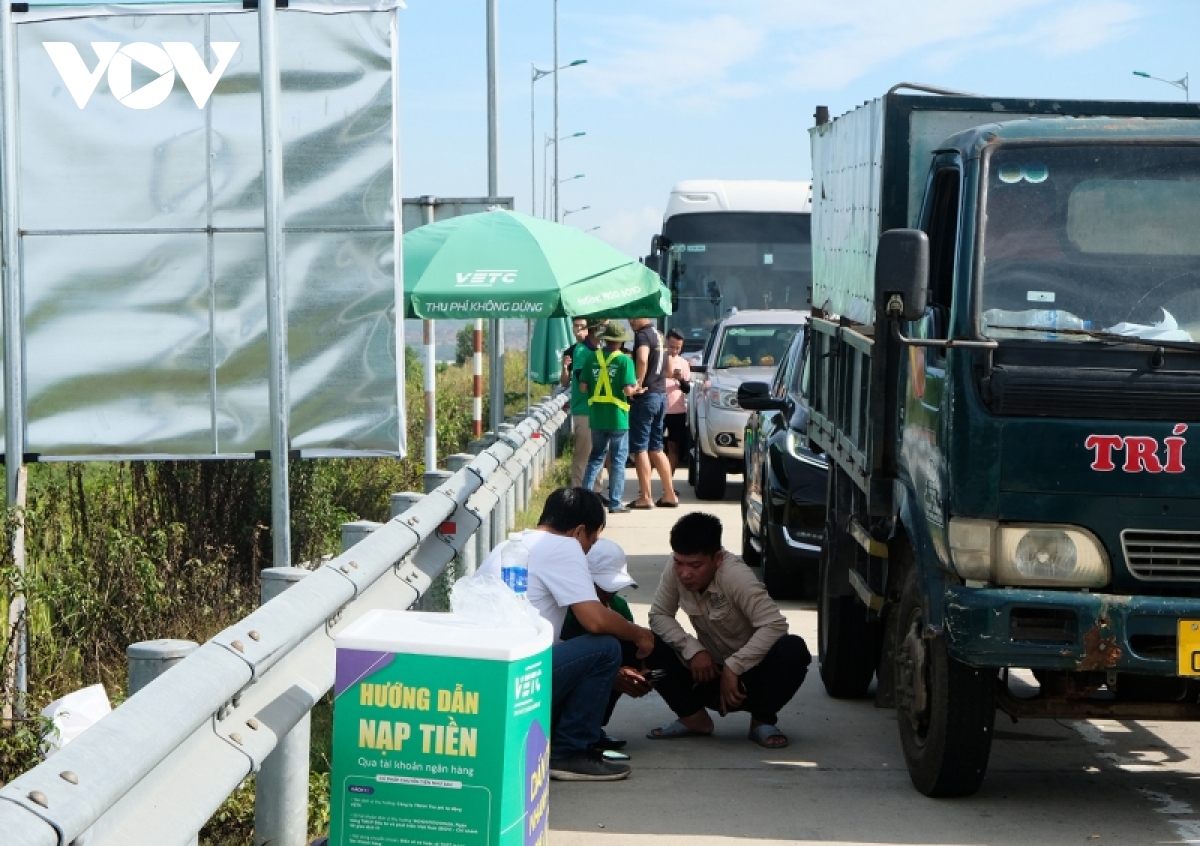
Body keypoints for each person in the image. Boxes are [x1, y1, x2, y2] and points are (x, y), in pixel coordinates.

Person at [477, 488, 654, 780]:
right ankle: (569, 753)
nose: (586, 552)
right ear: (579, 532)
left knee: (580, 649)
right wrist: (639, 634)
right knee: (607, 648)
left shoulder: (511, 545)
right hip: (515, 678)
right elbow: (596, 620)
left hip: (489, 677)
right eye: (591, 542)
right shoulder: (565, 547)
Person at [643, 512, 811, 748]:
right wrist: (693, 649)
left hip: (750, 677)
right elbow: (658, 615)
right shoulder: (676, 569)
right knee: (644, 642)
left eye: (695, 565)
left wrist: (735, 665)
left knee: (793, 648)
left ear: (718, 559)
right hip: (706, 673)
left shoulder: (735, 575)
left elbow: (775, 625)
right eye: (679, 563)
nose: (684, 573)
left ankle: (762, 721)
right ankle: (693, 719)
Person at [560, 538, 652, 751]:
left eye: (614, 588)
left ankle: (592, 726)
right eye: (601, 587)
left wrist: (641, 672)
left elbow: (633, 647)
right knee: (607, 652)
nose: (610, 594)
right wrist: (611, 675)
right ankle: (567, 730)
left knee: (627, 649)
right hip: (566, 680)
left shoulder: (619, 606)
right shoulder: (564, 607)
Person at [578, 323, 639, 514]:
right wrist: (637, 388)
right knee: (618, 460)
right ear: (620, 341)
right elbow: (628, 390)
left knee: (596, 458)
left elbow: (583, 388)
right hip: (618, 417)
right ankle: (615, 503)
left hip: (597, 415)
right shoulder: (624, 361)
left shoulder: (591, 357)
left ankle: (584, 501)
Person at [627, 317, 679, 509]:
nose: (629, 321)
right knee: (656, 447)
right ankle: (670, 494)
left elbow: (641, 358)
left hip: (646, 396)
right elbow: (669, 370)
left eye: (632, 317)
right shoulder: (660, 336)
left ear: (644, 317)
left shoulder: (642, 336)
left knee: (640, 448)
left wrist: (638, 383)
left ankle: (646, 496)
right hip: (661, 395)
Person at [562, 317, 600, 488]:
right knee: (583, 454)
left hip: (598, 409)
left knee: (597, 455)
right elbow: (579, 381)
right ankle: (578, 491)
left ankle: (596, 491)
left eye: (582, 326)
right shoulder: (579, 351)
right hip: (584, 409)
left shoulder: (598, 350)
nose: (579, 330)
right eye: (576, 326)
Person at [663, 329, 692, 474]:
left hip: (677, 410)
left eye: (678, 348)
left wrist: (680, 379)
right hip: (658, 408)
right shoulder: (656, 359)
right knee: (652, 448)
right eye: (672, 346)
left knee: (674, 446)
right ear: (665, 343)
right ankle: (646, 486)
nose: (674, 350)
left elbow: (687, 389)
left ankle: (668, 483)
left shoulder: (683, 363)